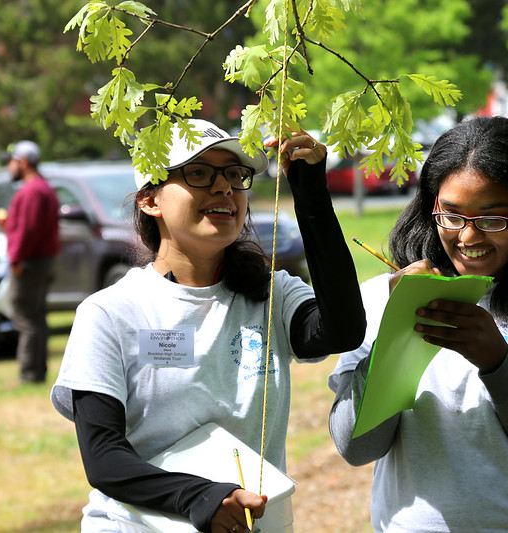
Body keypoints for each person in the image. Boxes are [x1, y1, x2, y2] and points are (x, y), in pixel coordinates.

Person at [51, 119, 366, 532]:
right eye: (198, 173)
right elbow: (105, 458)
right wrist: (202, 497)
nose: (225, 188)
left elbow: (342, 330)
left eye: (236, 175)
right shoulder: (111, 312)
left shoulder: (273, 295)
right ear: (150, 200)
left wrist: (311, 192)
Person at [328, 116, 508, 532]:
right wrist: (397, 336)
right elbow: (356, 446)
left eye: (492, 219)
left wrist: (499, 362)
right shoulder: (386, 296)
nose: (468, 238)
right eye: (451, 216)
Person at [4, 140, 59, 383]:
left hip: (29, 263)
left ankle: (28, 374)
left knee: (25, 318)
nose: (9, 166)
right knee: (36, 317)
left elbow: (28, 230)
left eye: (12, 161)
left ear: (23, 162)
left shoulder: (31, 190)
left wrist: (15, 258)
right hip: (41, 260)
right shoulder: (43, 187)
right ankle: (37, 372)